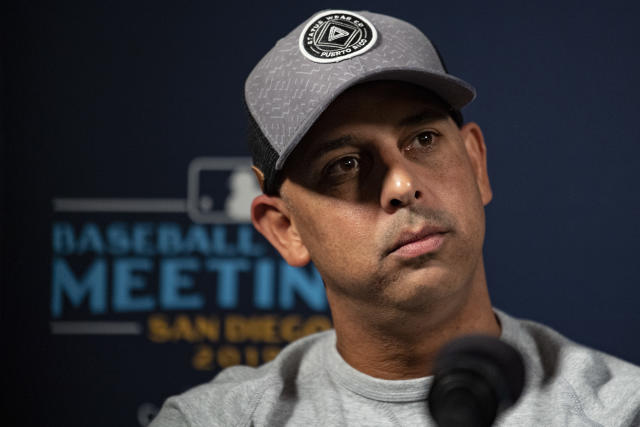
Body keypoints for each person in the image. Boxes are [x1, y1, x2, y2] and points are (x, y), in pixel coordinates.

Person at [151, 10, 640, 426]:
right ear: (286, 229)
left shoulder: (619, 412)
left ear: (476, 164)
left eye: (423, 140)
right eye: (344, 165)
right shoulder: (216, 420)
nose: (403, 185)